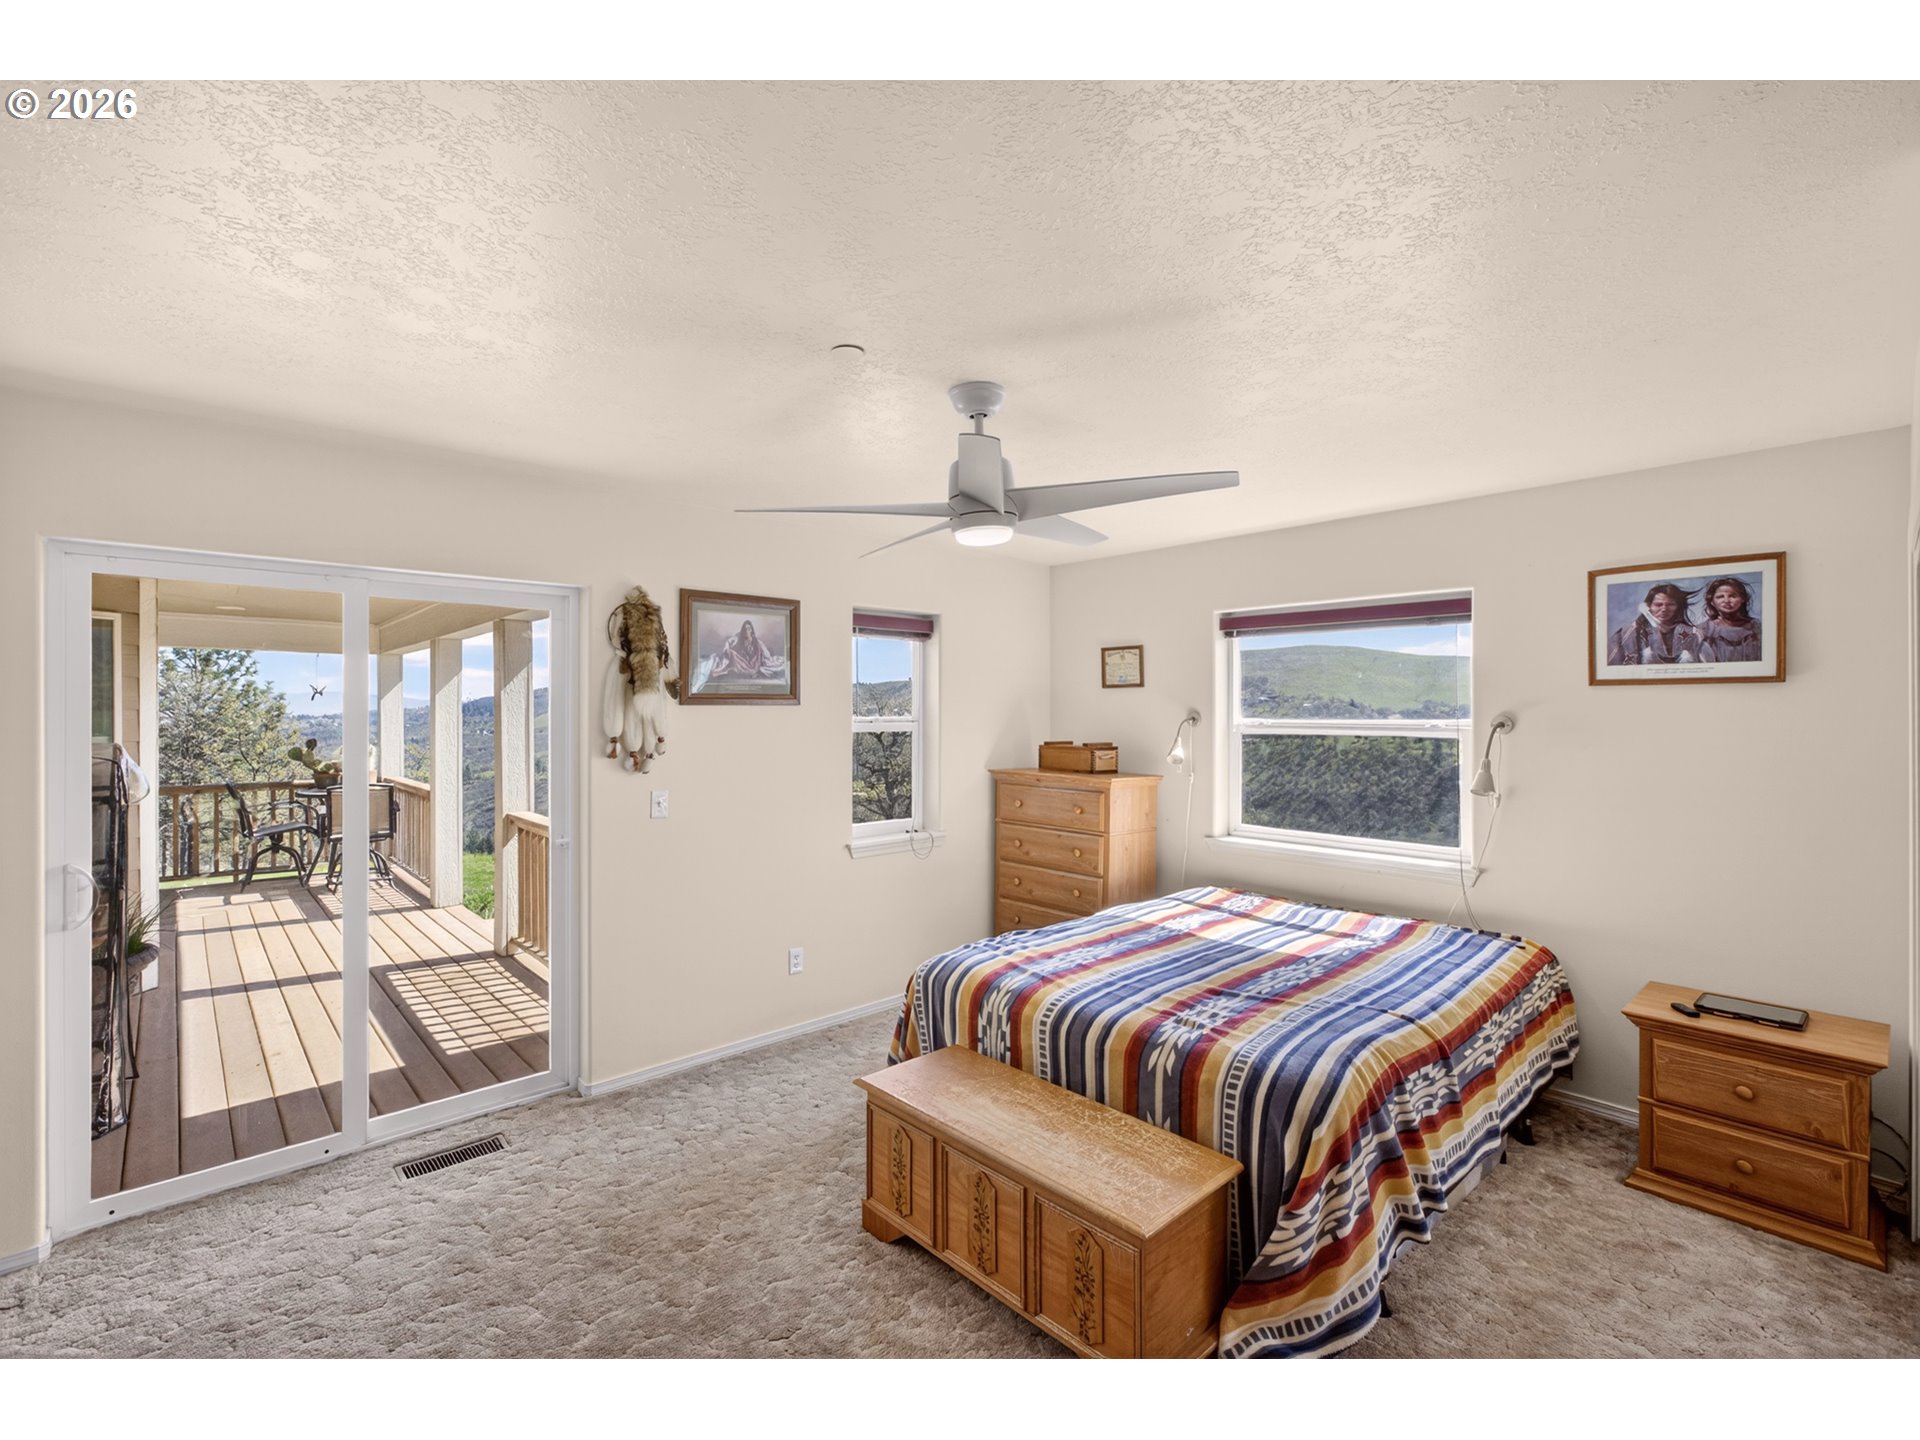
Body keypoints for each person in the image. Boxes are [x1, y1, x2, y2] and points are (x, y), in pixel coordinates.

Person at [1606, 582, 1701, 665]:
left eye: (1670, 604)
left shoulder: (1693, 634)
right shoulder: (1629, 633)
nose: (1664, 609)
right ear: (1648, 607)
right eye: (1658, 604)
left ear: (1678, 607)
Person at [1694, 576, 1761, 662]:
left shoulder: (1756, 627)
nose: (1726, 600)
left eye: (1732, 596)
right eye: (1720, 597)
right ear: (1712, 602)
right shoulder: (1703, 630)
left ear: (1742, 599)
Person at [710, 619, 776, 678]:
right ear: (743, 630)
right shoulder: (738, 638)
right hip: (743, 663)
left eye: (749, 629)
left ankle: (752, 672)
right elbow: (729, 642)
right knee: (732, 653)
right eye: (745, 629)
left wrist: (765, 657)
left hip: (755, 663)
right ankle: (749, 672)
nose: (747, 631)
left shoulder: (757, 641)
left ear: (751, 630)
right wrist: (727, 649)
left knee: (759, 650)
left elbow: (766, 654)